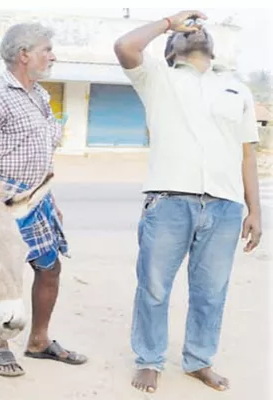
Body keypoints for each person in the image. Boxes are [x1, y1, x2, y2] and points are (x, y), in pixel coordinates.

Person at [114, 10, 262, 393]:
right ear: (171, 48)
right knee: (154, 287)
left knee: (211, 292)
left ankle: (199, 360)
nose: (197, 33)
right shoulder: (157, 78)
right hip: (168, 202)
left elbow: (247, 153)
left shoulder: (236, 89)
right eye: (187, 32)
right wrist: (167, 22)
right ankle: (149, 360)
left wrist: (255, 211)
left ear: (212, 47)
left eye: (201, 31)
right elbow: (125, 46)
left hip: (225, 207)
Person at [0, 22, 88, 378]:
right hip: (5, 198)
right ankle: (0, 347)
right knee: (1, 275)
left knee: (49, 268)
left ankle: (38, 341)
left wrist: (52, 200)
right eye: (46, 49)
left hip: (38, 198)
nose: (53, 55)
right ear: (24, 55)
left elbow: (41, 154)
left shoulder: (40, 96)